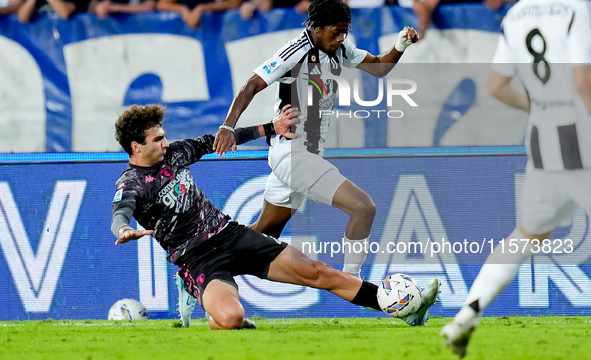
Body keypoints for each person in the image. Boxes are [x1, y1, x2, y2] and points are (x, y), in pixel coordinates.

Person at [211, 0, 440, 324]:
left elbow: (379, 67)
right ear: (316, 28)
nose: (341, 38)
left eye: (345, 31)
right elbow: (250, 85)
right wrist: (227, 126)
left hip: (305, 155)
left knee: (258, 239)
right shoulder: (295, 51)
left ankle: (200, 275)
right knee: (363, 207)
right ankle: (358, 288)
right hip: (292, 152)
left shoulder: (340, 49)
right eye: (336, 31)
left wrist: (401, 44)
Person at [111, 104, 440, 330]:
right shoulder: (131, 184)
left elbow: (221, 140)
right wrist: (123, 228)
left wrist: (272, 127)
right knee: (231, 319)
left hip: (231, 235)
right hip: (198, 261)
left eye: (164, 136)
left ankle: (400, 310)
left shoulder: (177, 152)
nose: (166, 143)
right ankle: (207, 302)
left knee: (317, 272)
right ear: (136, 147)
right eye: (157, 140)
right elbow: (120, 213)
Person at [441, 0, 591, 357]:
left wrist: (541, 107)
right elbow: (583, 81)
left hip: (542, 143)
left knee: (526, 235)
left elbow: (497, 86)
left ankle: (466, 314)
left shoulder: (516, 13)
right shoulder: (578, 9)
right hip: (582, 140)